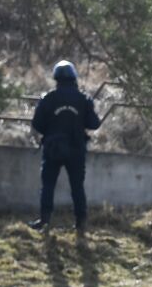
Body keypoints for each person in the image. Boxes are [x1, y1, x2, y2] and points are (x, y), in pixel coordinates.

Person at [28, 60, 101, 233]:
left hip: (52, 149)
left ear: (56, 78)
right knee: (77, 186)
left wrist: (52, 128)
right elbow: (94, 124)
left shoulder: (48, 99)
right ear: (74, 77)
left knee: (48, 185)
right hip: (76, 149)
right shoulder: (83, 99)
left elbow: (37, 124)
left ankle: (44, 221)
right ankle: (80, 222)